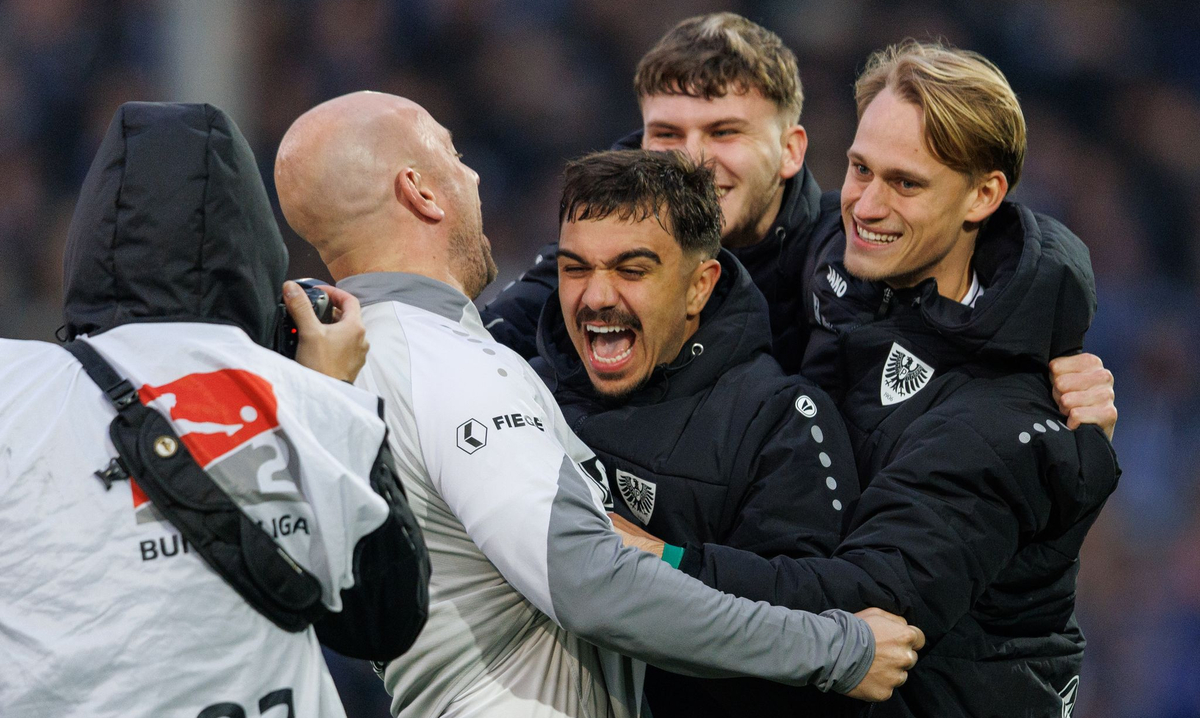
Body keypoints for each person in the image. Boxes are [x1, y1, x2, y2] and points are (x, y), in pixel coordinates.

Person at [274, 90, 925, 718]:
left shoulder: (343, 370)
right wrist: (836, 649)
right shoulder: (450, 367)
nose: (473, 178)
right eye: (454, 155)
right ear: (419, 190)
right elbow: (591, 582)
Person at [618, 42, 1121, 718]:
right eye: (859, 169)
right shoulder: (842, 258)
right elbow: (713, 217)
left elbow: (869, 599)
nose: (866, 204)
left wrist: (660, 560)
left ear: (984, 194)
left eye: (905, 183)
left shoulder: (1005, 416)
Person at [481, 12, 1118, 436]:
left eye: (724, 131)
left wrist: (1042, 357)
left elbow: (1017, 270)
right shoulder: (592, 254)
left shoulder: (853, 257)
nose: (692, 159)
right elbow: (480, 347)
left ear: (791, 149)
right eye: (667, 133)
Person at [0, 102, 429, 717]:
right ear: (256, 251)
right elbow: (384, 624)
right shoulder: (312, 403)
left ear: (92, 243)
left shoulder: (14, 387)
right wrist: (335, 394)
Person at [535, 148, 862, 717]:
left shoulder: (779, 422)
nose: (596, 296)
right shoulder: (523, 393)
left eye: (631, 270)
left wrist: (662, 560)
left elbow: (812, 616)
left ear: (698, 286)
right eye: (575, 268)